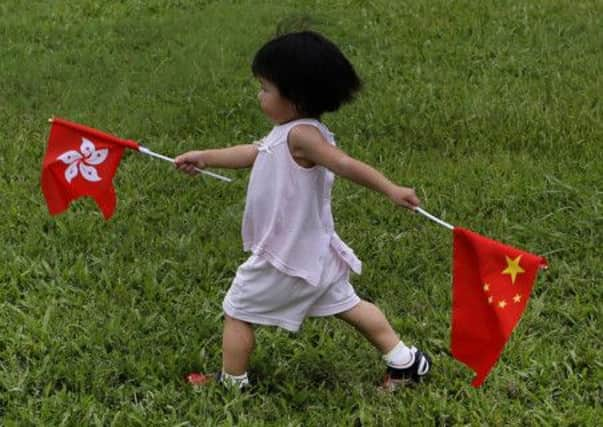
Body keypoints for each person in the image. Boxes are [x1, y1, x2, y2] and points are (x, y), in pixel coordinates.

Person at [175, 31, 431, 391]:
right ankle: (406, 362)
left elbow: (344, 164)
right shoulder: (287, 132)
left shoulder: (303, 137)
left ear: (294, 99)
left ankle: (232, 384)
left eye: (265, 89)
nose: (258, 95)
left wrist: (390, 188)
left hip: (287, 253)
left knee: (237, 309)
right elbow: (252, 152)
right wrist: (206, 157)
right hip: (314, 248)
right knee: (348, 304)